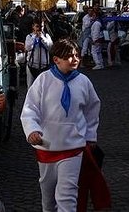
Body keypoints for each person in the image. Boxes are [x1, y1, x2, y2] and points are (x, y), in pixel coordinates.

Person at [20, 39, 102, 212]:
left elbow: (92, 109)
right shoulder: (43, 80)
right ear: (56, 60)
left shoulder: (84, 81)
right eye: (69, 57)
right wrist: (32, 130)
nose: (75, 59)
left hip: (73, 146)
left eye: (76, 56)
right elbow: (30, 108)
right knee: (48, 196)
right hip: (46, 145)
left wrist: (90, 136)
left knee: (67, 194)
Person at [25, 19, 54, 86]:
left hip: (44, 66)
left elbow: (50, 47)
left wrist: (43, 38)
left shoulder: (46, 36)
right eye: (37, 26)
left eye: (42, 27)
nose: (40, 29)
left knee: (44, 87)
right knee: (31, 86)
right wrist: (34, 38)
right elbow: (28, 48)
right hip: (32, 66)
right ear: (33, 26)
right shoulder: (29, 36)